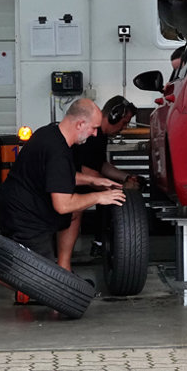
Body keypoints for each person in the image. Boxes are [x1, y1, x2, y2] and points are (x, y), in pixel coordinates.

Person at [0, 98, 126, 300]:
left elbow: (56, 176)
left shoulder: (50, 133)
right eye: (94, 128)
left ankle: (59, 270)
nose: (95, 133)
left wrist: (94, 181)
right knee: (45, 288)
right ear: (80, 124)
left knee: (74, 214)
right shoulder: (58, 152)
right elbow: (62, 205)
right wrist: (99, 197)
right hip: (23, 217)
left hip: (27, 207)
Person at [56, 95, 141, 271]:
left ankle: (99, 243)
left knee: (107, 195)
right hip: (64, 181)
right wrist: (119, 188)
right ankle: (64, 265)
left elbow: (100, 165)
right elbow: (89, 173)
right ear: (113, 115)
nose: (123, 128)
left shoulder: (100, 136)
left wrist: (124, 177)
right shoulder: (93, 136)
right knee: (75, 210)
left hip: (75, 177)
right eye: (124, 123)